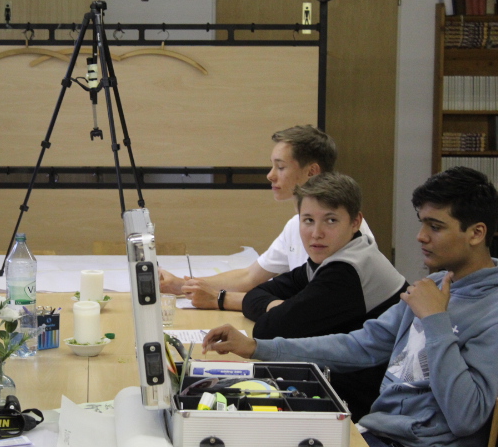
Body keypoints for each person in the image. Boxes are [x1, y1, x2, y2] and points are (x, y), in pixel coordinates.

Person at [202, 166, 498, 447]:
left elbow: (466, 417)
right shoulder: (433, 286)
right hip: (374, 430)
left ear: (476, 233)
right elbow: (360, 345)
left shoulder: (489, 311)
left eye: (435, 227)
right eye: (422, 223)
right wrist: (256, 348)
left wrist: (435, 320)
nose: (421, 236)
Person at [239, 172, 406, 420]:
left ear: (355, 222)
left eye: (330, 220)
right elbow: (255, 295)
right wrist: (279, 306)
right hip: (346, 381)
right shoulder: (333, 256)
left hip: (369, 402)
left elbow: (267, 330)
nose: (316, 233)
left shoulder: (347, 270)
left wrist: (282, 311)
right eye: (308, 220)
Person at [160, 125, 375, 311]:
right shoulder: (295, 225)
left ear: (312, 172)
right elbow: (250, 277)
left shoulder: (344, 233)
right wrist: (180, 285)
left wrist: (220, 299)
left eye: (280, 167)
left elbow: (311, 308)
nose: (270, 175)